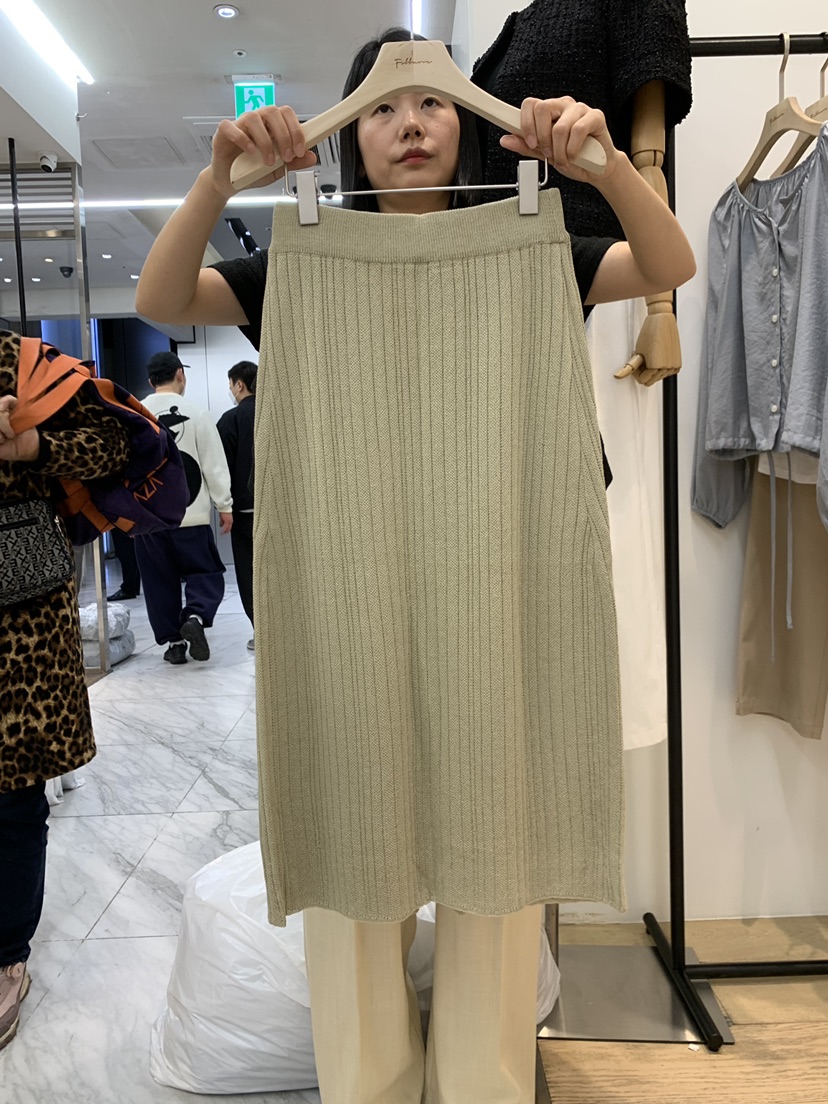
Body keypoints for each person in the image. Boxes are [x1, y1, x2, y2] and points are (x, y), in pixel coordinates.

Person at [136, 28, 694, 1104]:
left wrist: (604, 167)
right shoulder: (297, 257)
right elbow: (163, 298)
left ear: (466, 117)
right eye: (383, 107)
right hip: (346, 596)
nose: (409, 123)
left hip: (499, 590)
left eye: (432, 101)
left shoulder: (535, 241)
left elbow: (669, 267)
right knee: (356, 851)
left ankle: (485, 1087)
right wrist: (217, 182)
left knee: (496, 846)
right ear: (350, 133)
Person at [0, 329, 130, 1051]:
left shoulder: (22, 362)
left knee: (12, 793)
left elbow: (110, 446)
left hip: (15, 616)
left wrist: (29, 445)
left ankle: (5, 955)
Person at [134, 352, 233, 665]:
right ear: (181, 375)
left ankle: (174, 645)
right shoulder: (197, 413)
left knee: (157, 580)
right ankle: (195, 616)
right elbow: (213, 464)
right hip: (191, 514)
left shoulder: (134, 413)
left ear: (150, 380)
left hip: (148, 516)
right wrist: (224, 504)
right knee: (205, 570)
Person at [216, 360, 256, 651]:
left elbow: (221, 468)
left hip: (244, 511)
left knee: (248, 573)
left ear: (239, 384)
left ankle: (261, 632)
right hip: (280, 512)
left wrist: (224, 505)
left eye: (231, 385)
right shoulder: (276, 414)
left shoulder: (230, 420)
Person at [106, 526, 142, 601]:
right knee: (129, 549)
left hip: (122, 522)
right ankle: (133, 586)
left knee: (124, 549)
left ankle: (129, 588)